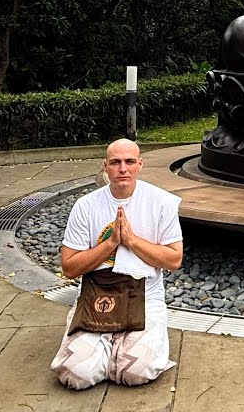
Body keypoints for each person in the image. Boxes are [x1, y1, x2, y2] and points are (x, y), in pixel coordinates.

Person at [49, 139, 183, 389]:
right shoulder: (86, 206)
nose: (123, 168)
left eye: (130, 162)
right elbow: (69, 267)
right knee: (76, 375)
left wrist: (131, 241)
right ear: (105, 167)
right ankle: (107, 347)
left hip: (144, 292)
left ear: (140, 165)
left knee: (135, 372)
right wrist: (110, 244)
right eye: (115, 162)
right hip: (97, 292)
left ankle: (115, 348)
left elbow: (174, 260)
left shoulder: (161, 202)